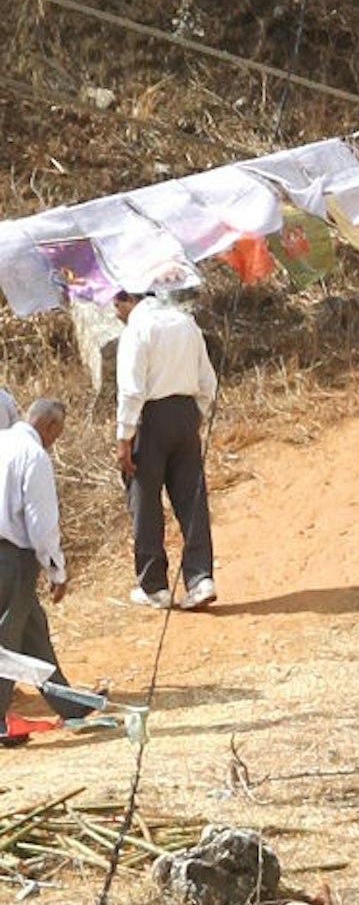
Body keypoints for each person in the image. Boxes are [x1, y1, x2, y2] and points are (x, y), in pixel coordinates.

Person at [112, 283, 218, 610]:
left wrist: (124, 438)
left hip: (151, 417)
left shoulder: (137, 329)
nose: (116, 314)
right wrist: (196, 416)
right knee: (191, 498)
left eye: (116, 306)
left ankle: (153, 585)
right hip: (186, 413)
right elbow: (207, 381)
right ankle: (201, 578)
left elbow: (131, 390)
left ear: (127, 299)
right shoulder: (185, 322)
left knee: (144, 499)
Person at [0, 377, 93, 717]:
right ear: (51, 426)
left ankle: (69, 704)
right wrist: (57, 570)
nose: (55, 442)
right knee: (7, 639)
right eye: (58, 434)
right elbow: (41, 524)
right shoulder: (33, 455)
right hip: (11, 559)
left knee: (31, 629)